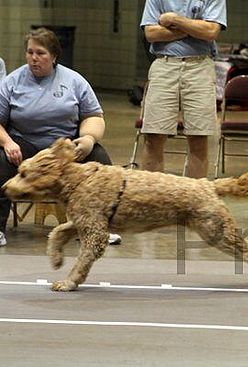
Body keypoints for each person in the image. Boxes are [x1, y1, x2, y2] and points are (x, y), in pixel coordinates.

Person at [0, 28, 121, 247]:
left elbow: (94, 116)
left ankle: (101, 227)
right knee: (0, 160)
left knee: (99, 159)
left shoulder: (74, 81)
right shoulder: (11, 81)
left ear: (54, 56)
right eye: (30, 52)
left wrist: (88, 139)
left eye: (40, 53)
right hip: (24, 144)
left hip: (64, 146)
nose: (34, 58)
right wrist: (7, 142)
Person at [140, 0, 227, 177]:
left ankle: (194, 200)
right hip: (164, 64)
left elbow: (211, 31)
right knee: (153, 137)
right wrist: (193, 28)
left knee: (198, 138)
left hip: (200, 66)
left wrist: (174, 20)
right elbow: (150, 33)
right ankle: (151, 199)